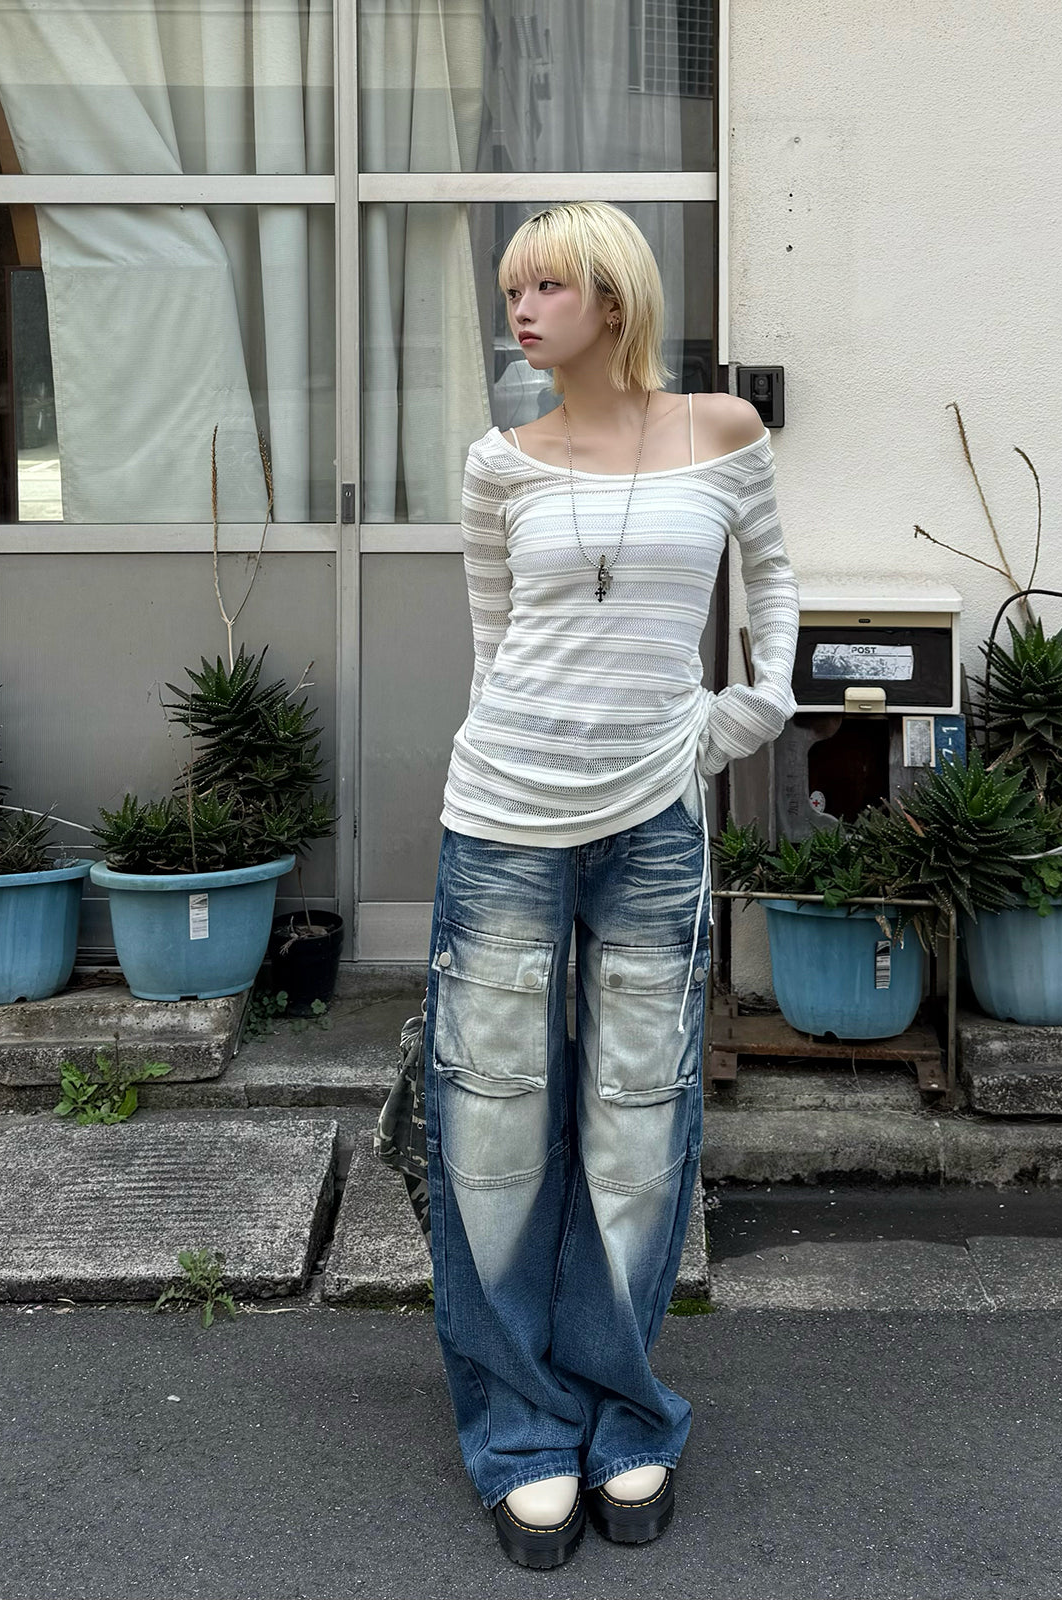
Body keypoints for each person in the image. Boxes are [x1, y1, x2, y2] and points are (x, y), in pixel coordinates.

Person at [423, 200, 800, 1569]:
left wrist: (743, 718)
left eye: (546, 287)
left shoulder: (723, 433)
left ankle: (621, 1404)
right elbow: (493, 644)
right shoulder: (500, 463)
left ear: (615, 298)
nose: (519, 310)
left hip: (654, 822)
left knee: (638, 1122)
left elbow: (775, 592)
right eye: (512, 290)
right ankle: (524, 1427)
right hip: (504, 819)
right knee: (493, 1121)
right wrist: (526, 753)